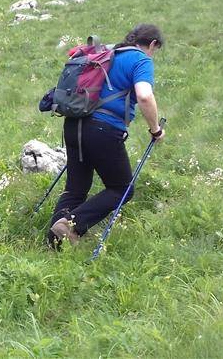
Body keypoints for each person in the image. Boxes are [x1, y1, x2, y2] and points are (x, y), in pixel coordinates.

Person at [48, 24, 166, 247]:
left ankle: (55, 243)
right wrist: (155, 129)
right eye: (155, 50)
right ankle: (72, 224)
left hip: (74, 124)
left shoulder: (108, 53)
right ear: (152, 44)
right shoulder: (140, 60)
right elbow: (144, 96)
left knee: (75, 189)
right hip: (103, 129)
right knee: (122, 188)